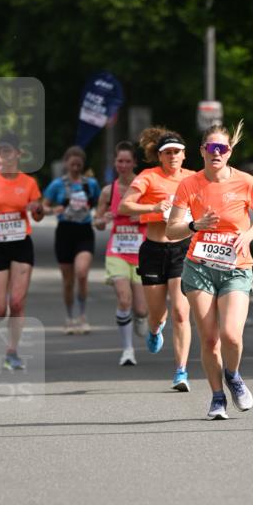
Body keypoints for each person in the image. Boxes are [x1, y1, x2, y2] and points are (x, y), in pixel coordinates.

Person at [167, 120, 253, 420]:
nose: (216, 152)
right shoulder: (189, 184)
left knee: (231, 336)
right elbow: (173, 231)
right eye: (211, 147)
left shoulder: (245, 181)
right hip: (198, 268)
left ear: (229, 151)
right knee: (210, 339)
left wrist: (248, 235)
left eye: (222, 148)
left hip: (236, 268)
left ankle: (233, 375)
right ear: (202, 151)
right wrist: (193, 225)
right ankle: (216, 398)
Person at [118, 127, 194, 391]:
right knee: (157, 315)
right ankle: (153, 329)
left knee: (181, 312)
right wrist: (153, 207)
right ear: (160, 157)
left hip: (183, 249)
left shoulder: (194, 179)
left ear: (184, 155)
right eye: (168, 152)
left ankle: (181, 371)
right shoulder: (148, 177)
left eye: (177, 152)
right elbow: (124, 206)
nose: (173, 156)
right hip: (153, 249)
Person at [0, 131, 44, 370]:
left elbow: (38, 215)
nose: (5, 155)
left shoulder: (29, 182)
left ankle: (11, 351)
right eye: (1, 151)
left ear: (18, 153)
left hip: (21, 244)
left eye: (9, 151)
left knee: (17, 301)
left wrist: (37, 209)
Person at [94, 141, 148, 365]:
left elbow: (161, 213)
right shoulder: (109, 191)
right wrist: (102, 220)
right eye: (119, 161)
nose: (123, 165)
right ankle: (127, 350)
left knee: (142, 309)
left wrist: (143, 217)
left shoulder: (144, 187)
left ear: (134, 162)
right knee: (124, 299)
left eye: (127, 161)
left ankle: (141, 317)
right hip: (117, 251)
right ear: (114, 162)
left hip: (141, 253)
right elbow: (96, 222)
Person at [43, 146, 100, 334]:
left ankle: (82, 316)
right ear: (66, 163)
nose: (75, 167)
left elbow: (101, 204)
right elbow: (43, 208)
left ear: (82, 164)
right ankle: (69, 317)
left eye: (78, 164)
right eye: (72, 164)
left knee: (82, 274)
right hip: (64, 233)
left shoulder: (90, 184)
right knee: (68, 281)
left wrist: (102, 216)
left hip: (84, 232)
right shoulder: (57, 185)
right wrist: (53, 210)